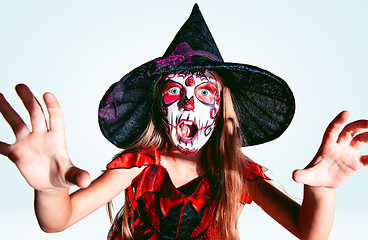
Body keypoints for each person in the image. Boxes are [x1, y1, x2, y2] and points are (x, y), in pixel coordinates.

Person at [0, 4, 367, 240]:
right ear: (158, 107)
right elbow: (57, 221)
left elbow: (310, 232)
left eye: (205, 92)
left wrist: (322, 191)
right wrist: (49, 190)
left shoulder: (237, 173)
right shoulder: (137, 167)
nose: (190, 102)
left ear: (222, 109)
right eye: (174, 91)